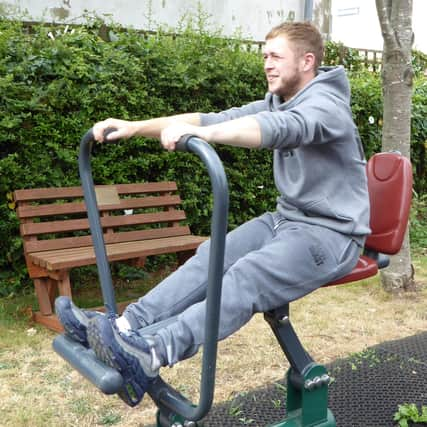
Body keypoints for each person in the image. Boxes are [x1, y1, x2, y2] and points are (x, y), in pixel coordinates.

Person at [55, 21, 370, 407]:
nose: (267, 64)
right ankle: (123, 327)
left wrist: (208, 137)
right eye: (264, 57)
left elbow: (283, 128)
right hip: (287, 220)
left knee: (248, 275)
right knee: (213, 255)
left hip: (332, 236)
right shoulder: (280, 100)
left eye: (275, 56)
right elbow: (212, 119)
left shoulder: (327, 106)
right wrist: (136, 127)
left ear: (307, 61)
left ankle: (151, 352)